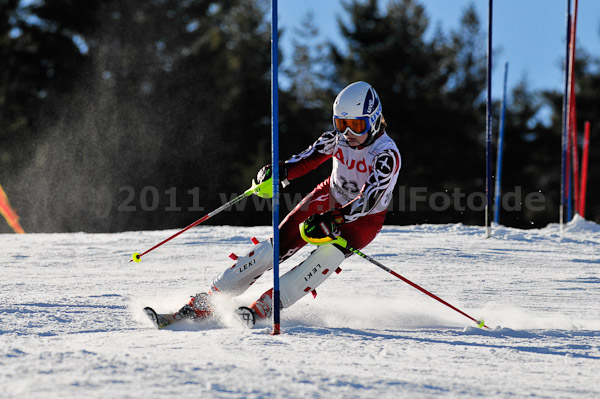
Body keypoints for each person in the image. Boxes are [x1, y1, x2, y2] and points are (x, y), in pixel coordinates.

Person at [154, 81, 401, 327]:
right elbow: (306, 160)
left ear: (376, 120)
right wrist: (278, 172)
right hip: (329, 197)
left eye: (357, 126)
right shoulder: (336, 140)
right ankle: (210, 300)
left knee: (327, 256)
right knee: (276, 245)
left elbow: (371, 198)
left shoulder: (386, 155)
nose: (348, 134)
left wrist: (336, 219)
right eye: (341, 125)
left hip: (363, 219)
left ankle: (267, 305)